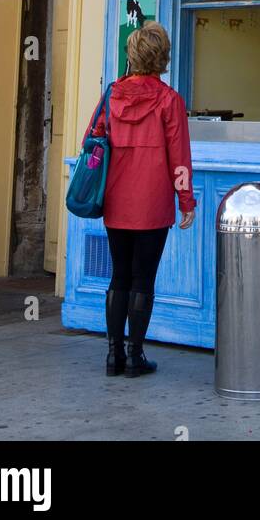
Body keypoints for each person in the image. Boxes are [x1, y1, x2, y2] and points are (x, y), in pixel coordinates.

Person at [85, 21, 195, 377]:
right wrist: (186, 202)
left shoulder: (111, 95)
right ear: (162, 58)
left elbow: (91, 140)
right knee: (143, 279)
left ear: (132, 56)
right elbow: (179, 158)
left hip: (115, 199)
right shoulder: (169, 100)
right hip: (152, 201)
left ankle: (112, 355)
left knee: (118, 276)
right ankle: (135, 355)